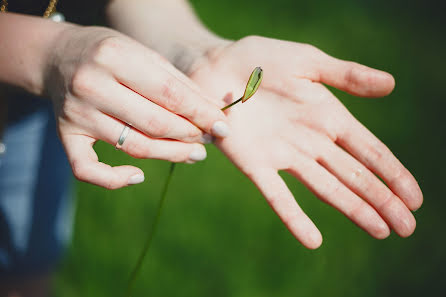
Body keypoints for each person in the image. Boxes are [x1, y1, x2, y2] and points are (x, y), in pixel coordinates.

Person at [0, 0, 423, 296]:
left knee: (24, 269)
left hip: (28, 115)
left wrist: (199, 55)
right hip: (41, 82)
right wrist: (48, 53)